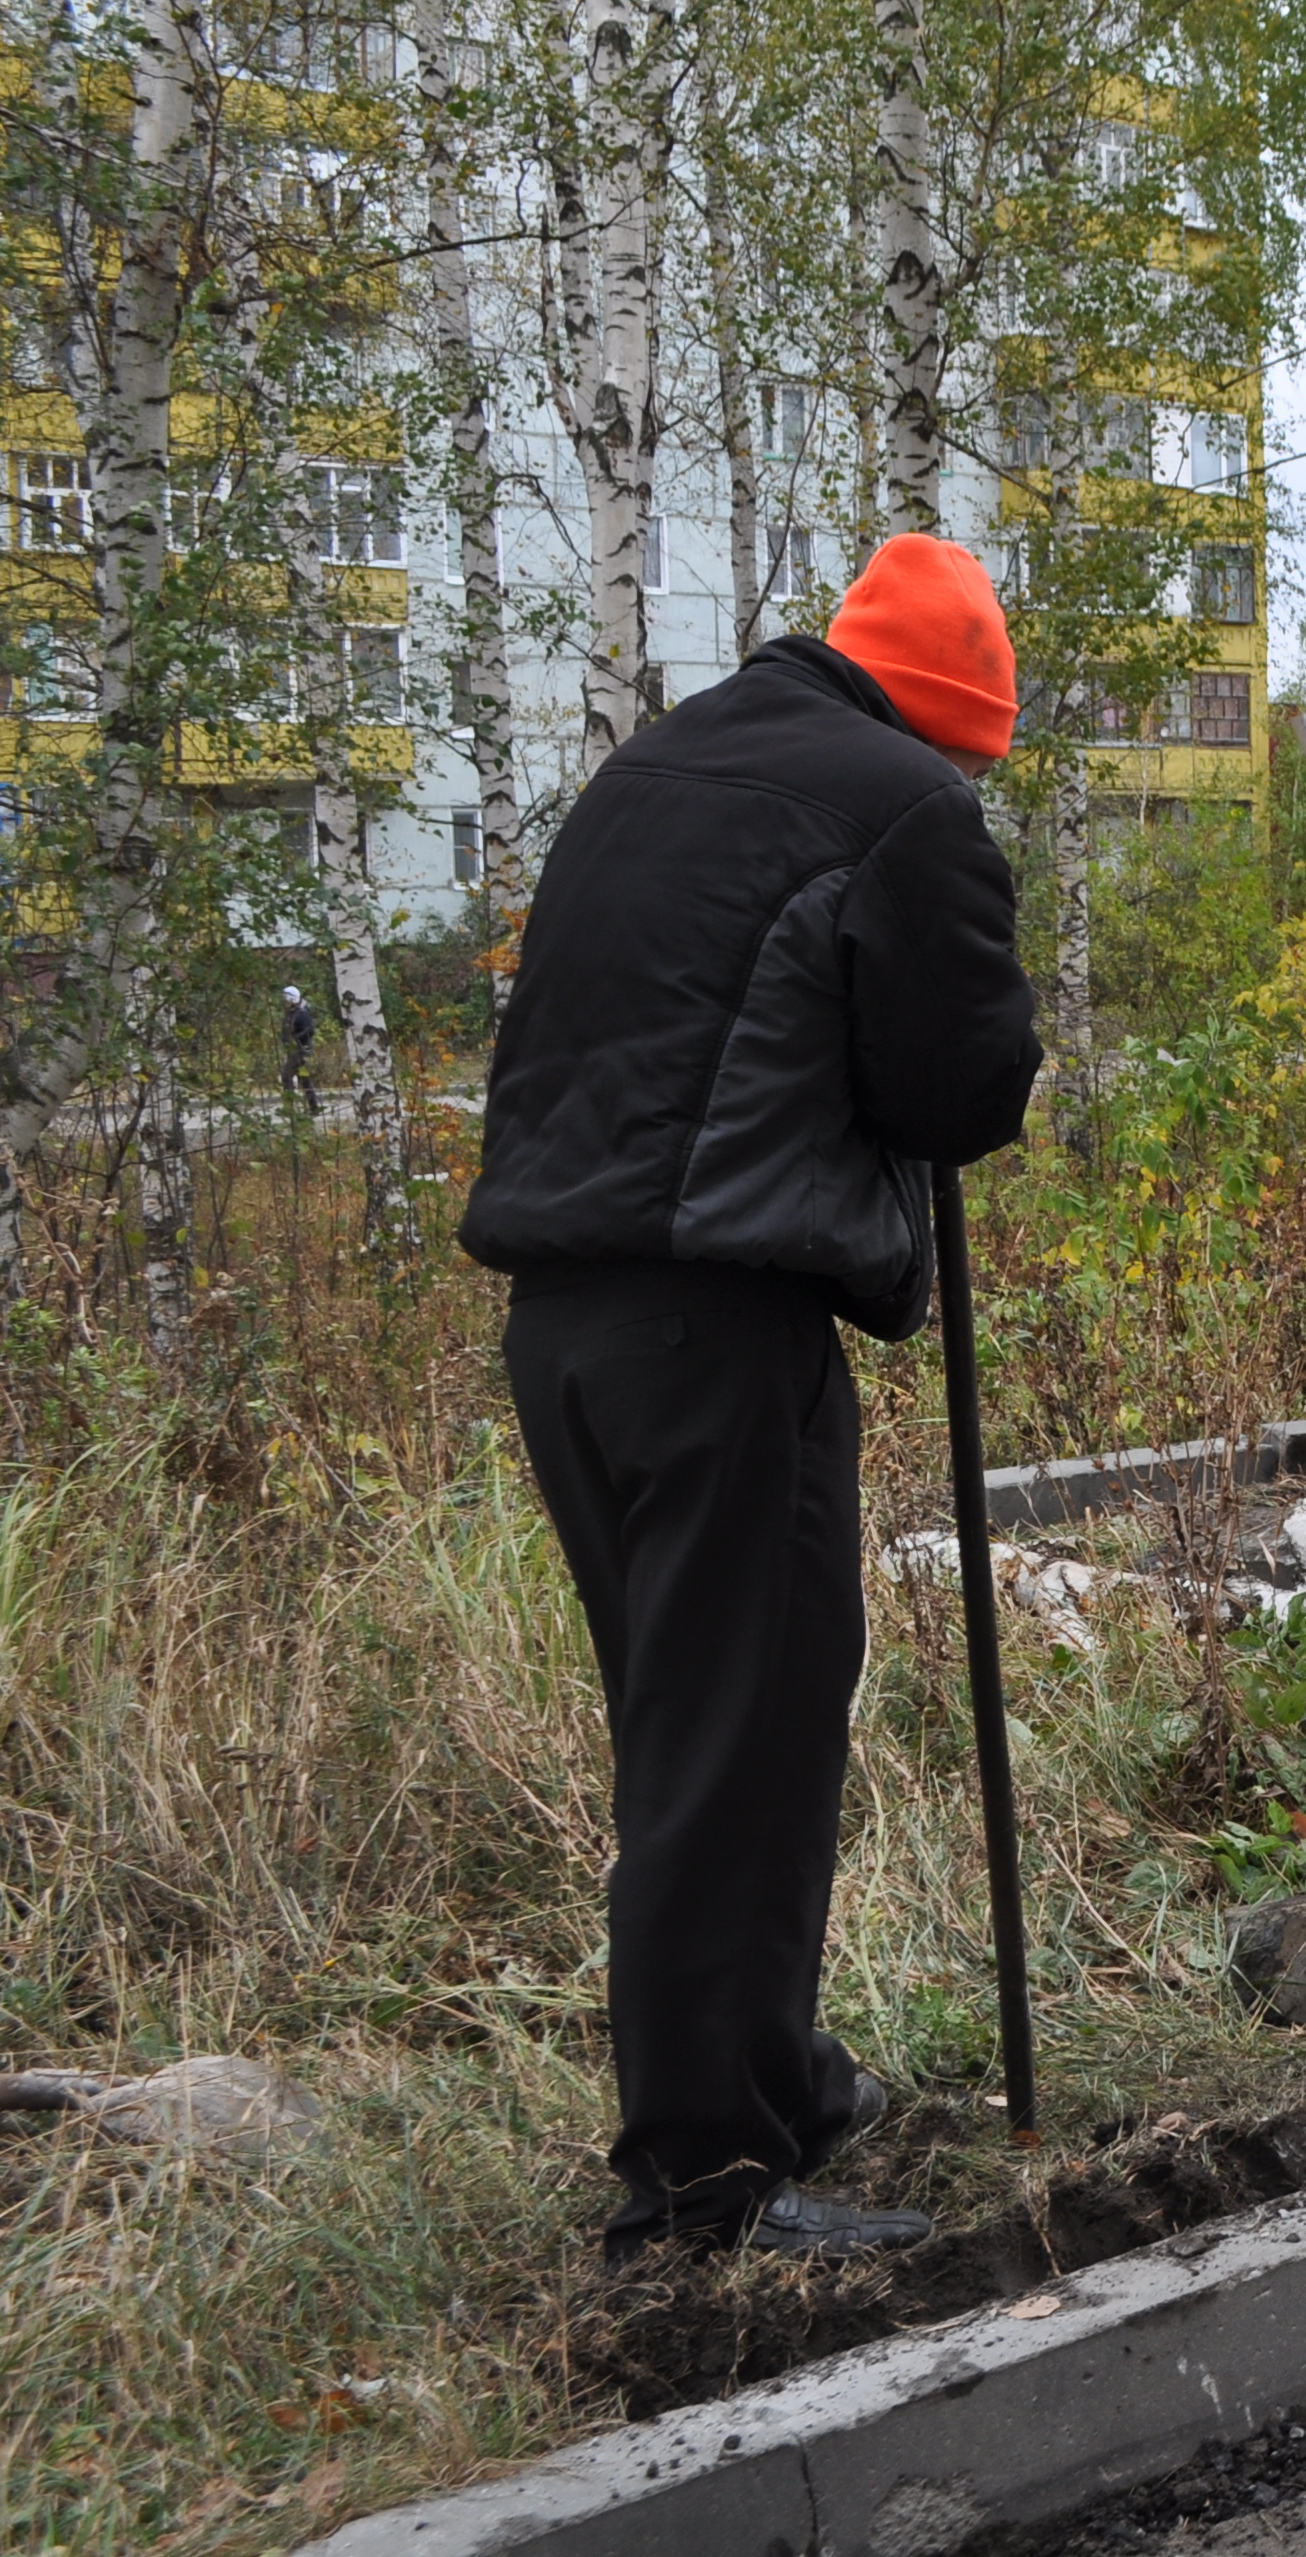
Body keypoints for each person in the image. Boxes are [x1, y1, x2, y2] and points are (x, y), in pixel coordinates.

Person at [462, 535, 1042, 2264]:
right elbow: (961, 1084)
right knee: (748, 1743)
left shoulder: (656, 768)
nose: (962, 783)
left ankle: (772, 2070)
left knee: (689, 1727)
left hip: (566, 1332)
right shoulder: (904, 811)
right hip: (718, 1333)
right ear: (952, 723)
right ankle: (707, 2181)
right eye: (971, 757)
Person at [280, 981, 316, 1113]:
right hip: (294, 1049)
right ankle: (314, 1107)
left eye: (285, 998)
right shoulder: (291, 1012)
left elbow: (309, 1030)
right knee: (304, 1079)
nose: (284, 1002)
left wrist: (295, 1040)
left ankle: (289, 1107)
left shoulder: (301, 1013)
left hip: (299, 1050)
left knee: (286, 1075)